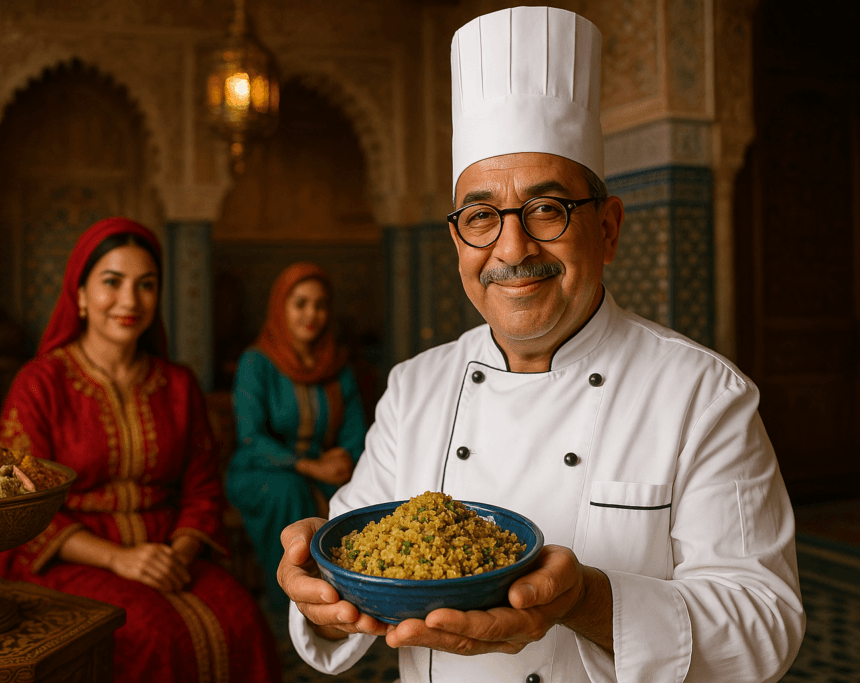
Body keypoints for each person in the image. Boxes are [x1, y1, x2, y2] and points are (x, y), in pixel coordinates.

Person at [277, 7, 805, 683]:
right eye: (479, 217)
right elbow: (353, 558)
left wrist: (588, 599)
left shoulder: (702, 392)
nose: (512, 248)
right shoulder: (415, 386)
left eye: (548, 209)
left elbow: (765, 625)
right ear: (457, 240)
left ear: (608, 228)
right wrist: (319, 589)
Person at [0, 217, 282, 683]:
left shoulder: (178, 384)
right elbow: (20, 504)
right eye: (113, 282)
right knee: (151, 631)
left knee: (241, 617)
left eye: (146, 285)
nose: (130, 300)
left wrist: (177, 554)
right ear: (81, 295)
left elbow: (203, 489)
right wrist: (118, 559)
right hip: (71, 558)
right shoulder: (40, 384)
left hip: (170, 550)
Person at [226, 263, 367, 613]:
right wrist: (309, 467)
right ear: (280, 307)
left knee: (362, 496)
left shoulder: (338, 366)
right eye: (300, 303)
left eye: (320, 305)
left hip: (323, 469)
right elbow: (251, 437)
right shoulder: (256, 363)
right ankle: (292, 605)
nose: (312, 314)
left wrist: (345, 460)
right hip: (262, 470)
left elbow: (357, 433)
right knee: (287, 491)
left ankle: (353, 603)